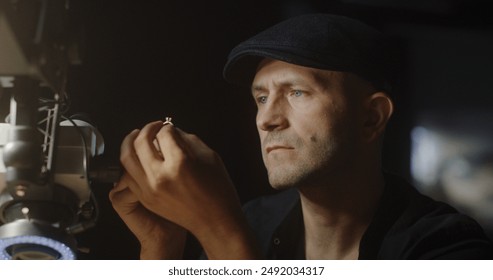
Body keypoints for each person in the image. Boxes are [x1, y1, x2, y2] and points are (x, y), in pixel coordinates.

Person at [108, 13, 493, 259]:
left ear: (371, 117)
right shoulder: (254, 220)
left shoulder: (447, 250)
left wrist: (218, 230)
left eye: (296, 92)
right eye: (261, 97)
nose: (267, 119)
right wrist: (163, 246)